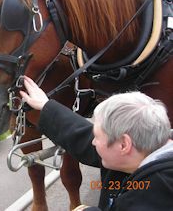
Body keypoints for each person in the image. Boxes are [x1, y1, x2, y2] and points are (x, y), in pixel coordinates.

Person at [20, 76, 173, 211]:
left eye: (97, 136)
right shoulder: (144, 152)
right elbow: (82, 136)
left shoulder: (154, 197)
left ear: (124, 145)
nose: (92, 141)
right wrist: (46, 106)